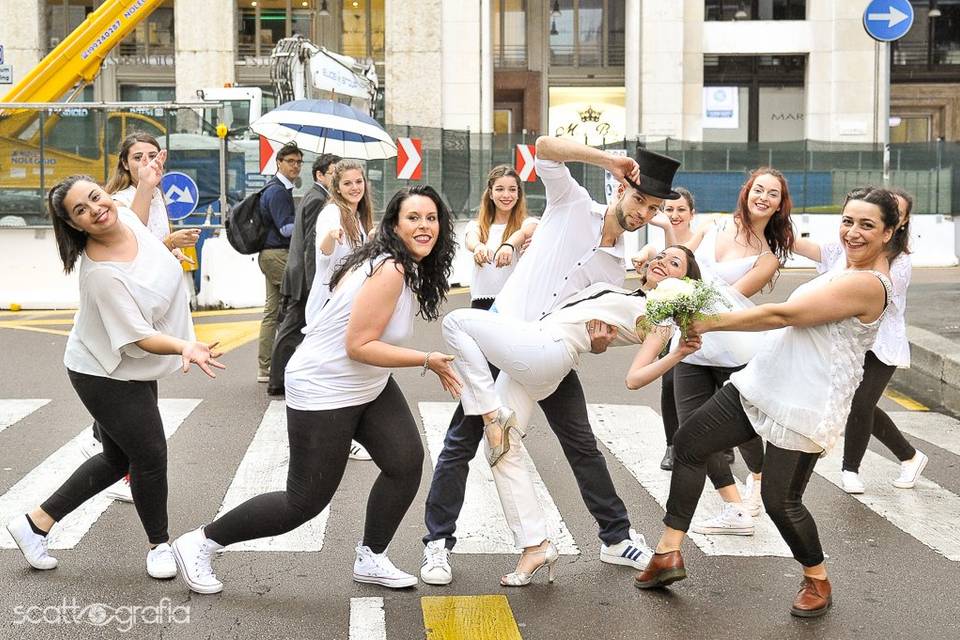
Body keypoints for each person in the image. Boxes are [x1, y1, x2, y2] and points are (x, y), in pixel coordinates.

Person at [172, 185, 460, 595]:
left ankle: (372, 556)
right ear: (395, 224)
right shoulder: (391, 268)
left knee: (405, 461)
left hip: (366, 383)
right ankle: (200, 542)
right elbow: (358, 345)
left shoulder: (403, 265)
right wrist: (426, 359)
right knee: (303, 502)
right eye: (413, 218)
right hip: (324, 385)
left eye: (431, 218)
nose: (425, 226)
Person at [420, 135, 681, 587]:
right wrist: (608, 160)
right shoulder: (572, 202)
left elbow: (589, 328)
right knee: (463, 444)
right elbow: (544, 146)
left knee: (581, 445)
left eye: (654, 208)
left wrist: (599, 344)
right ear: (621, 189)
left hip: (550, 353)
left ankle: (616, 538)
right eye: (641, 199)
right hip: (499, 340)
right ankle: (438, 544)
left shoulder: (615, 268)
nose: (644, 212)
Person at [635, 186, 900, 619]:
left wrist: (710, 321)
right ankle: (668, 553)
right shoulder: (840, 268)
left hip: (806, 401)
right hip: (763, 381)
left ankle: (816, 577)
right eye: (848, 221)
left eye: (867, 225)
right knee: (689, 444)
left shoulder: (870, 284)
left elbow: (782, 315)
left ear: (888, 233)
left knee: (780, 501)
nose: (853, 232)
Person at [5, 167, 224, 580]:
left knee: (116, 457)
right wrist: (184, 346)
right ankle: (159, 546)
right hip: (104, 372)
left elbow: (139, 226)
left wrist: (146, 185)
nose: (96, 209)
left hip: (127, 367)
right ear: (74, 225)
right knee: (150, 456)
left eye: (95, 196)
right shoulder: (101, 274)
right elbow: (140, 337)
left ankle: (35, 524)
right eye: (81, 210)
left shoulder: (120, 210)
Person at [441, 246, 703, 585]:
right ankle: (535, 545)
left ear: (684, 283)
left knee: (455, 322)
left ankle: (489, 411)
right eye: (660, 257)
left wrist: (678, 352)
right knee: (502, 448)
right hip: (537, 353)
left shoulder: (658, 316)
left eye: (674, 263)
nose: (661, 263)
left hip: (547, 348)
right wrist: (645, 262)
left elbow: (634, 378)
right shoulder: (625, 290)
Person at [79, 133, 202, 504]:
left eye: (153, 155)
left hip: (146, 303)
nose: (148, 163)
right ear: (125, 163)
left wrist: (171, 249)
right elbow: (134, 243)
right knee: (133, 383)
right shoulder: (118, 201)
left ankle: (106, 443)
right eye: (138, 157)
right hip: (129, 303)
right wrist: (168, 244)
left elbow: (147, 247)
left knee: (138, 382)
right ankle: (114, 453)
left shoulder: (156, 194)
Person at [678, 168, 795, 536]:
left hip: (734, 346)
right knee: (692, 430)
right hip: (691, 344)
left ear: (779, 205)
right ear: (746, 192)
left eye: (772, 194)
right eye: (758, 189)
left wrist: (681, 285)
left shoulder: (767, 258)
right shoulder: (712, 227)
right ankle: (735, 508)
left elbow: (729, 301)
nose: (763, 197)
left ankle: (759, 479)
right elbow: (678, 260)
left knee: (744, 430)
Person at [793, 187, 926, 493]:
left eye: (897, 210)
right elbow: (811, 249)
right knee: (855, 401)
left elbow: (880, 293)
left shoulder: (899, 261)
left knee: (861, 402)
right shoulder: (849, 244)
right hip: (855, 338)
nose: (856, 231)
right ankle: (909, 455)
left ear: (897, 224)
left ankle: (850, 468)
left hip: (882, 343)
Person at [301, 158, 376, 461]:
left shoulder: (357, 217)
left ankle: (335, 437)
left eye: (358, 182)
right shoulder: (332, 212)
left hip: (346, 303)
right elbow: (324, 250)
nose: (355, 187)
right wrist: (331, 239)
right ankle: (332, 438)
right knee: (332, 373)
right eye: (348, 183)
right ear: (337, 187)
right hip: (328, 305)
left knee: (339, 372)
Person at [630, 187, 704, 471]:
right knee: (671, 382)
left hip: (698, 319)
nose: (674, 215)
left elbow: (684, 254)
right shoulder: (661, 248)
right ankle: (672, 445)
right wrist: (643, 255)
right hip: (668, 323)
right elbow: (651, 253)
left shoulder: (700, 239)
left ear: (691, 214)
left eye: (680, 210)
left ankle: (716, 440)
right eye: (669, 210)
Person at [266, 153, 341, 396]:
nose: (338, 178)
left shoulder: (316, 195)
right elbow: (311, 246)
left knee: (293, 328)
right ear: (320, 175)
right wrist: (315, 282)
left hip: (300, 273)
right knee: (292, 328)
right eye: (334, 173)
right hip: (304, 277)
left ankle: (283, 378)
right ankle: (277, 380)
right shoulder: (319, 199)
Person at [257, 142, 303, 383]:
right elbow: (286, 229)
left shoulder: (279, 189)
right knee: (293, 307)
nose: (295, 166)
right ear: (279, 163)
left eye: (298, 162)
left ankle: (265, 367)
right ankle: (281, 365)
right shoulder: (277, 191)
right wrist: (307, 220)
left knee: (273, 311)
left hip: (270, 254)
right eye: (290, 161)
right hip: (277, 254)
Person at [465, 165, 538, 311]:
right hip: (482, 302)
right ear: (491, 194)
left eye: (512, 189)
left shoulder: (529, 223)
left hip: (516, 301)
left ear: (518, 194)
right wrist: (478, 247)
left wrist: (508, 246)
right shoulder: (477, 225)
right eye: (499, 189)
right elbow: (471, 239)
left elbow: (524, 233)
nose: (506, 195)